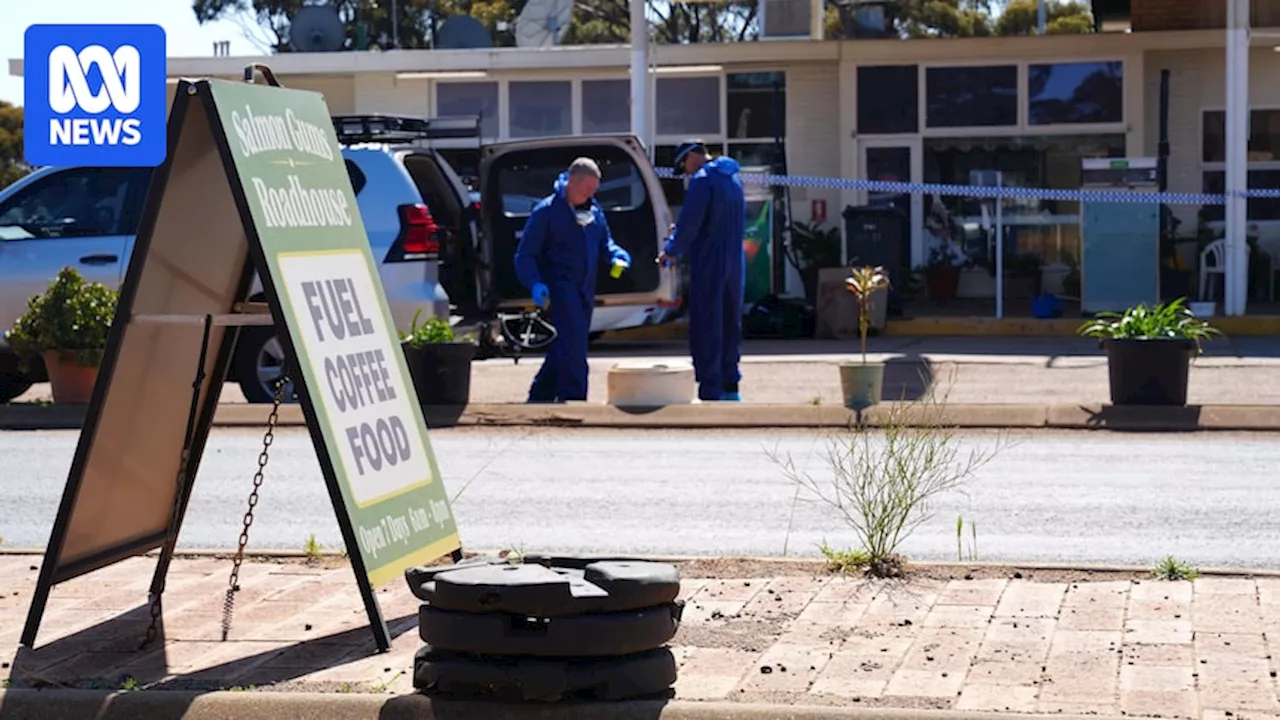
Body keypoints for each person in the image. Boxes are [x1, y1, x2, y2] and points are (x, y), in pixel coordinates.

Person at [514, 157, 631, 404]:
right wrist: (534, 282)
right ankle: (574, 399)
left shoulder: (594, 211)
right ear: (572, 181)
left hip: (585, 288)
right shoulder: (546, 211)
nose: (591, 194)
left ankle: (540, 395)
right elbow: (525, 255)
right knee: (575, 344)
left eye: (594, 189)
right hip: (560, 287)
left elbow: (605, 243)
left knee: (568, 343)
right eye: (587, 188)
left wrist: (616, 255)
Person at [657, 141, 747, 402]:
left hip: (709, 260)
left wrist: (670, 251)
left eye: (683, 166)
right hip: (734, 261)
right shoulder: (732, 178)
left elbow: (690, 224)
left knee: (707, 325)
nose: (685, 173)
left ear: (691, 157)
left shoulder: (702, 180)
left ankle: (710, 390)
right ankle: (731, 387)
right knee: (731, 323)